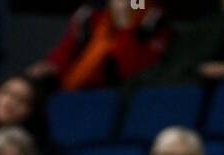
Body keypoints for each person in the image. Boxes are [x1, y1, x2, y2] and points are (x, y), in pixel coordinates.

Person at [28, 0, 169, 90]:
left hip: (117, 91)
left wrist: (125, 25)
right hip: (74, 88)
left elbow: (130, 71)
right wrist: (52, 65)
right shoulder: (90, 13)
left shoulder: (153, 19)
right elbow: (66, 50)